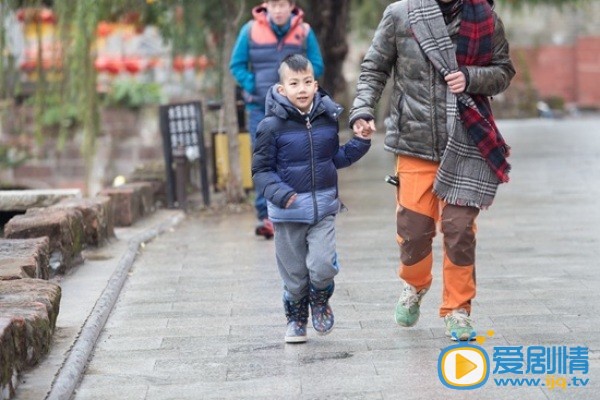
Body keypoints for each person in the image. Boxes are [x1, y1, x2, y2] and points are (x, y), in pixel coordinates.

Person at [349, 0, 515, 341]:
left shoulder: (484, 17)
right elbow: (374, 68)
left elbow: (503, 71)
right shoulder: (401, 14)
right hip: (414, 141)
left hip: (467, 140)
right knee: (413, 232)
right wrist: (363, 109)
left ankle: (457, 310)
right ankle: (415, 284)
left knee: (459, 231)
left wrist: (470, 77)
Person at [253, 54, 371, 343]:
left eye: (307, 82)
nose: (302, 89)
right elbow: (261, 171)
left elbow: (336, 159)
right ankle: (296, 319)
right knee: (294, 276)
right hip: (288, 214)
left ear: (316, 86)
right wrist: (281, 194)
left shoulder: (326, 120)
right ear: (282, 89)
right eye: (294, 83)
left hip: (323, 209)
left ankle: (319, 300)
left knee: (323, 266)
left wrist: (362, 141)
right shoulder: (270, 126)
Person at [230, 0, 324, 239]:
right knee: (264, 159)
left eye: (282, 4)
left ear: (291, 6)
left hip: (296, 110)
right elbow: (237, 65)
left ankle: (295, 209)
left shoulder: (304, 31)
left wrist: (300, 86)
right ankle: (267, 215)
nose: (278, 10)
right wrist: (253, 87)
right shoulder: (250, 30)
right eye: (273, 4)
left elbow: (318, 66)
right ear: (266, 6)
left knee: (294, 156)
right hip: (260, 107)